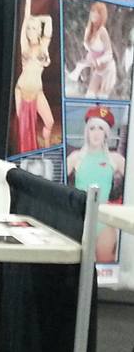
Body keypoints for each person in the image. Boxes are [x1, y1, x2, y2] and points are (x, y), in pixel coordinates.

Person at [66, 105, 126, 263]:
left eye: (101, 128)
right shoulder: (75, 158)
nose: (96, 133)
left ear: (106, 133)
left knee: (105, 268)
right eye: (92, 128)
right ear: (87, 131)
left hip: (104, 221)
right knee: (78, 267)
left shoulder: (115, 159)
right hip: (79, 220)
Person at [13, 0, 54, 152]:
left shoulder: (44, 45)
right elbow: (25, 18)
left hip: (37, 91)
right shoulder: (24, 45)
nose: (30, 31)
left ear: (39, 31)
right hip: (21, 90)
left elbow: (49, 20)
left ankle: (47, 148)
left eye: (33, 28)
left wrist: (37, 19)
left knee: (49, 122)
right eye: (29, 28)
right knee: (24, 131)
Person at [67, 0, 117, 99]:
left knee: (102, 98)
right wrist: (86, 63)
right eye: (93, 11)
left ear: (102, 16)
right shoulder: (88, 30)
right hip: (97, 70)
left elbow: (109, 54)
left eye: (98, 12)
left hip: (108, 69)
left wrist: (97, 61)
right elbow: (90, 51)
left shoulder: (102, 31)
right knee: (90, 96)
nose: (94, 14)